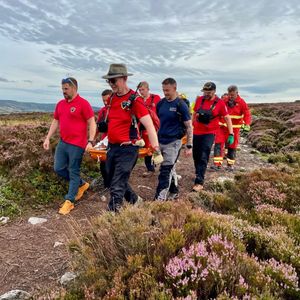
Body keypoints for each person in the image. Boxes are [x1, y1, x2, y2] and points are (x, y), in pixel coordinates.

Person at [102, 63, 162, 212]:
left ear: (124, 78)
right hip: (112, 147)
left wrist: (156, 150)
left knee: (116, 185)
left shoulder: (135, 100)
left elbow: (149, 125)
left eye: (113, 80)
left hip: (128, 148)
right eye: (109, 81)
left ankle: (113, 216)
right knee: (110, 178)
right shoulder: (112, 99)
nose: (111, 84)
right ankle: (135, 201)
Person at [43, 77, 96, 215]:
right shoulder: (60, 104)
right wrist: (48, 137)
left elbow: (92, 122)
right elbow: (55, 121)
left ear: (74, 88)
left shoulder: (83, 104)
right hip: (63, 142)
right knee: (58, 168)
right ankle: (82, 184)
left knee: (73, 170)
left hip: (77, 144)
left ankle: (69, 201)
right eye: (62, 89)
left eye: (66, 89)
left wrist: (90, 141)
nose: (63, 92)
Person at [155, 78, 193, 201]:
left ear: (175, 88)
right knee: (169, 169)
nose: (165, 93)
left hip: (174, 143)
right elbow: (157, 123)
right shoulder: (161, 104)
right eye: (163, 90)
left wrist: (189, 145)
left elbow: (189, 127)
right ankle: (174, 190)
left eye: (167, 90)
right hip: (161, 141)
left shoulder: (180, 105)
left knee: (165, 171)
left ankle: (159, 200)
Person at [192, 82, 233, 192]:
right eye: (205, 92)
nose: (206, 94)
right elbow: (195, 113)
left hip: (210, 133)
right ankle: (198, 172)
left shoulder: (219, 103)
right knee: (195, 155)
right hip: (197, 131)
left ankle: (199, 181)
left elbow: (227, 118)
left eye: (209, 92)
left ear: (214, 91)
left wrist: (231, 133)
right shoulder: (200, 100)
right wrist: (191, 125)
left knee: (204, 155)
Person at [213, 85, 251, 170]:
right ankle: (217, 164)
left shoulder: (242, 102)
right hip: (222, 127)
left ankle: (230, 165)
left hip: (235, 130)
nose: (230, 97)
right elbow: (217, 111)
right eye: (229, 95)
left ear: (237, 93)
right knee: (218, 144)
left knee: (232, 146)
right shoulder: (224, 101)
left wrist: (247, 124)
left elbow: (247, 114)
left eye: (232, 95)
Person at [138, 81, 161, 176]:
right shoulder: (139, 100)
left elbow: (160, 111)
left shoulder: (156, 98)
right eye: (139, 90)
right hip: (143, 127)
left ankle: (158, 162)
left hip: (155, 126)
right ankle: (150, 169)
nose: (141, 92)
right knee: (147, 147)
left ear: (148, 89)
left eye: (143, 89)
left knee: (155, 145)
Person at [95, 89, 113, 187]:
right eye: (103, 101)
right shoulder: (103, 111)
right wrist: (92, 139)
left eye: (107, 100)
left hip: (116, 141)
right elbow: (97, 126)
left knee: (113, 163)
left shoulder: (118, 109)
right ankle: (107, 184)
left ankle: (114, 183)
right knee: (103, 164)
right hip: (104, 140)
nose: (105, 102)